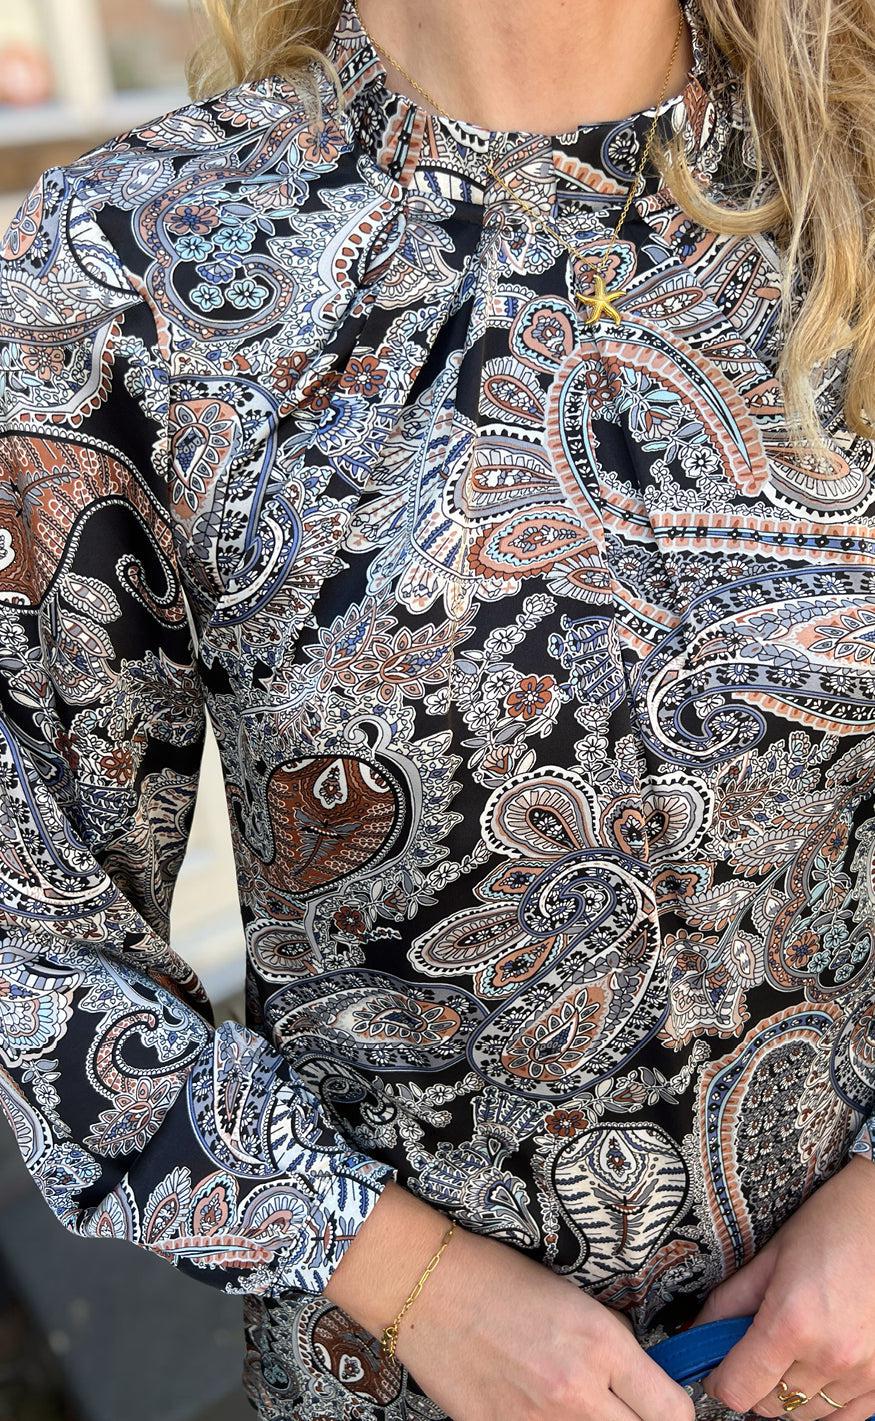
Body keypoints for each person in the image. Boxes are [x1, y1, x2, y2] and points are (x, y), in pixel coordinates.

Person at [1, 0, 874, 1416]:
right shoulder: (125, 269)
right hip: (402, 1383)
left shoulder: (854, 198)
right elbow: (30, 930)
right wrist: (414, 1282)